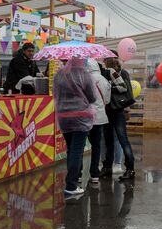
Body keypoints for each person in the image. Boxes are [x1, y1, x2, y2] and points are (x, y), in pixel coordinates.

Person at [53, 59, 96, 198]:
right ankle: (71, 185)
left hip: (63, 117)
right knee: (77, 150)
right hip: (80, 117)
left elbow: (54, 93)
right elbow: (92, 97)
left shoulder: (59, 74)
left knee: (71, 149)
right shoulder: (85, 74)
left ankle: (72, 180)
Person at [100, 57, 136, 181]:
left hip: (118, 110)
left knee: (122, 140)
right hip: (108, 111)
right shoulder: (104, 73)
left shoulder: (120, 72)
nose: (103, 62)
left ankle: (130, 168)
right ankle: (107, 167)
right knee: (108, 140)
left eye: (104, 61)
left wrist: (109, 88)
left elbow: (125, 89)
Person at [84, 59, 111, 187]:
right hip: (99, 117)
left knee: (80, 145)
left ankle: (78, 175)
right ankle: (94, 174)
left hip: (85, 117)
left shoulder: (83, 79)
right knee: (96, 145)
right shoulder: (103, 80)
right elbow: (107, 99)